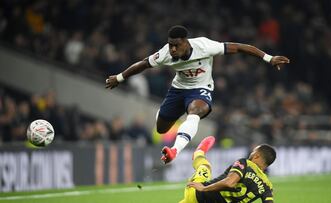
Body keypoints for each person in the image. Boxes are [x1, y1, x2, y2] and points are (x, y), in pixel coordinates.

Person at [106, 25, 289, 164]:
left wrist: (268, 58)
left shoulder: (205, 45)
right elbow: (143, 64)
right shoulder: (165, 54)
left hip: (201, 89)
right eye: (170, 45)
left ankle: (174, 151)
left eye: (176, 46)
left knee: (195, 111)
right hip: (177, 90)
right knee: (161, 128)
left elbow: (240, 47)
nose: (173, 50)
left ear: (186, 41)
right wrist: (120, 77)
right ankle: (173, 122)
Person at [182, 136, 276, 203]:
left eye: (253, 152)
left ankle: (199, 152)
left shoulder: (245, 163)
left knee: (205, 167)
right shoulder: (268, 186)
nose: (251, 154)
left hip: (199, 195)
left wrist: (204, 188)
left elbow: (229, 182)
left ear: (256, 156)